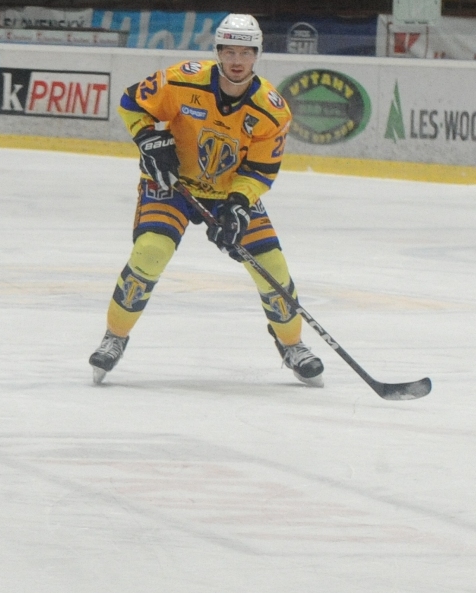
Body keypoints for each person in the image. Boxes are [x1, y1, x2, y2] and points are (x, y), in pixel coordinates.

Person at [86, 13, 323, 388]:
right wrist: (147, 138)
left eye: (245, 52)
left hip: (227, 193)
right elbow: (132, 103)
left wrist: (238, 204)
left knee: (273, 267)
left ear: (257, 54)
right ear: (217, 52)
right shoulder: (183, 80)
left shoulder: (271, 109)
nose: (237, 60)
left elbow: (261, 170)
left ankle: (292, 344)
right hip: (172, 184)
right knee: (151, 252)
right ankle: (114, 337)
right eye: (229, 51)